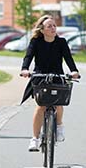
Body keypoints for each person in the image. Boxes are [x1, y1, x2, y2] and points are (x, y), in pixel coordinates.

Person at [19, 15, 80, 151]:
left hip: (57, 75)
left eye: (54, 26)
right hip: (40, 76)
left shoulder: (61, 42)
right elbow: (28, 56)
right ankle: (34, 139)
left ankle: (58, 126)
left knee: (59, 103)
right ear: (42, 30)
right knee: (41, 106)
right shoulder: (36, 42)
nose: (53, 28)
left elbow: (68, 59)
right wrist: (25, 69)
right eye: (49, 26)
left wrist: (74, 70)